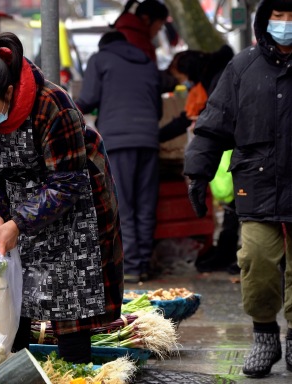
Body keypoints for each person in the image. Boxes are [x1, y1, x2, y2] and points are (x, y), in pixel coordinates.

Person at [0, 32, 123, 364]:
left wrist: (21, 221)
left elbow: (67, 183)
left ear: (10, 93)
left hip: (73, 206)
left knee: (70, 297)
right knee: (11, 293)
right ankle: (17, 369)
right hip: (16, 203)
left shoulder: (52, 105)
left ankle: (75, 368)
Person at [184, 0, 292, 377]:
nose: (285, 23)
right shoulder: (243, 66)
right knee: (257, 263)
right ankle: (265, 336)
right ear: (265, 19)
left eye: (291, 15)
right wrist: (197, 173)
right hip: (258, 185)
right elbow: (213, 125)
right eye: (278, 15)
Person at [75, 31, 162, 284]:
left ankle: (133, 266)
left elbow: (89, 99)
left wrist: (67, 111)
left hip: (118, 138)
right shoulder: (147, 61)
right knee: (146, 204)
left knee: (123, 202)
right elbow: (157, 108)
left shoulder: (100, 59)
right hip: (149, 139)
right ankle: (144, 263)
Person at [158, 45, 240, 274]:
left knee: (236, 202)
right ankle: (228, 252)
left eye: (180, 78)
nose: (182, 84)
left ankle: (230, 254)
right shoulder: (214, 76)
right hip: (234, 149)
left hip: (236, 151)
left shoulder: (215, 81)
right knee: (235, 203)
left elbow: (208, 123)